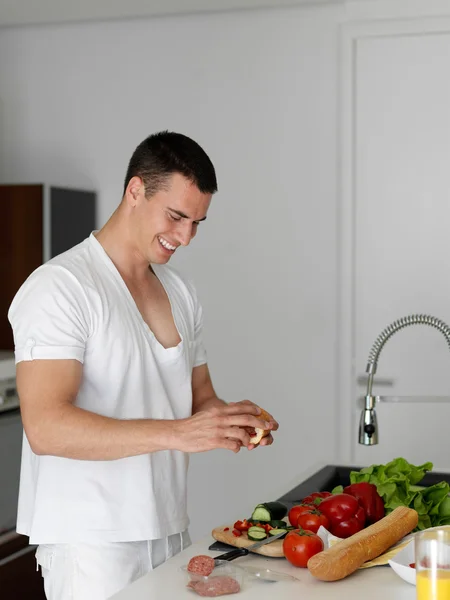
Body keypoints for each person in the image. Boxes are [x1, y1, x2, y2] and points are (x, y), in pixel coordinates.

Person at [8, 130, 278, 600]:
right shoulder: (61, 287)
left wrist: (231, 420)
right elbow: (45, 426)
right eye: (176, 216)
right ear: (135, 191)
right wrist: (178, 434)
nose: (185, 237)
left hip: (168, 527)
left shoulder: (180, 291)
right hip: (90, 541)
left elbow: (199, 399)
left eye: (197, 222)